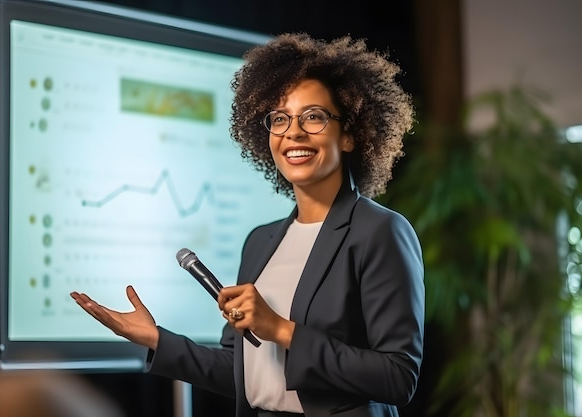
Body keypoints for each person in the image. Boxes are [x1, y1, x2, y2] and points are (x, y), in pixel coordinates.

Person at [70, 32, 424, 417]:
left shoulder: (380, 231)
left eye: (314, 117)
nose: (294, 131)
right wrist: (156, 339)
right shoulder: (261, 242)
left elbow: (397, 376)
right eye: (280, 119)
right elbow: (242, 373)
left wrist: (283, 330)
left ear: (352, 133)